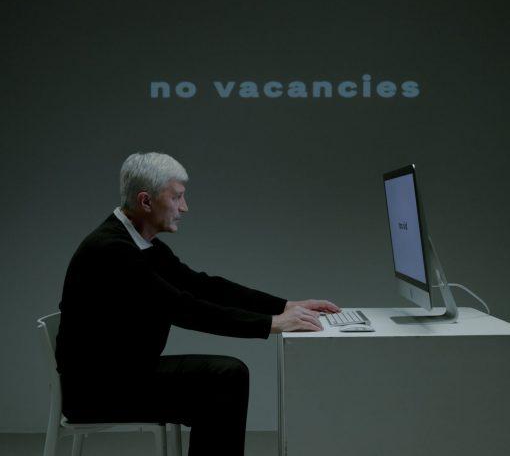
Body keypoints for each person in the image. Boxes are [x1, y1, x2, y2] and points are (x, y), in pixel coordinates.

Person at [55, 152, 340, 456]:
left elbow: (202, 285)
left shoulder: (140, 243)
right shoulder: (112, 250)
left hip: (122, 374)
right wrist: (270, 325)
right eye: (177, 197)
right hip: (99, 390)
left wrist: (282, 306)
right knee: (224, 377)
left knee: (221, 379)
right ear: (146, 201)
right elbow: (183, 308)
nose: (184, 207)